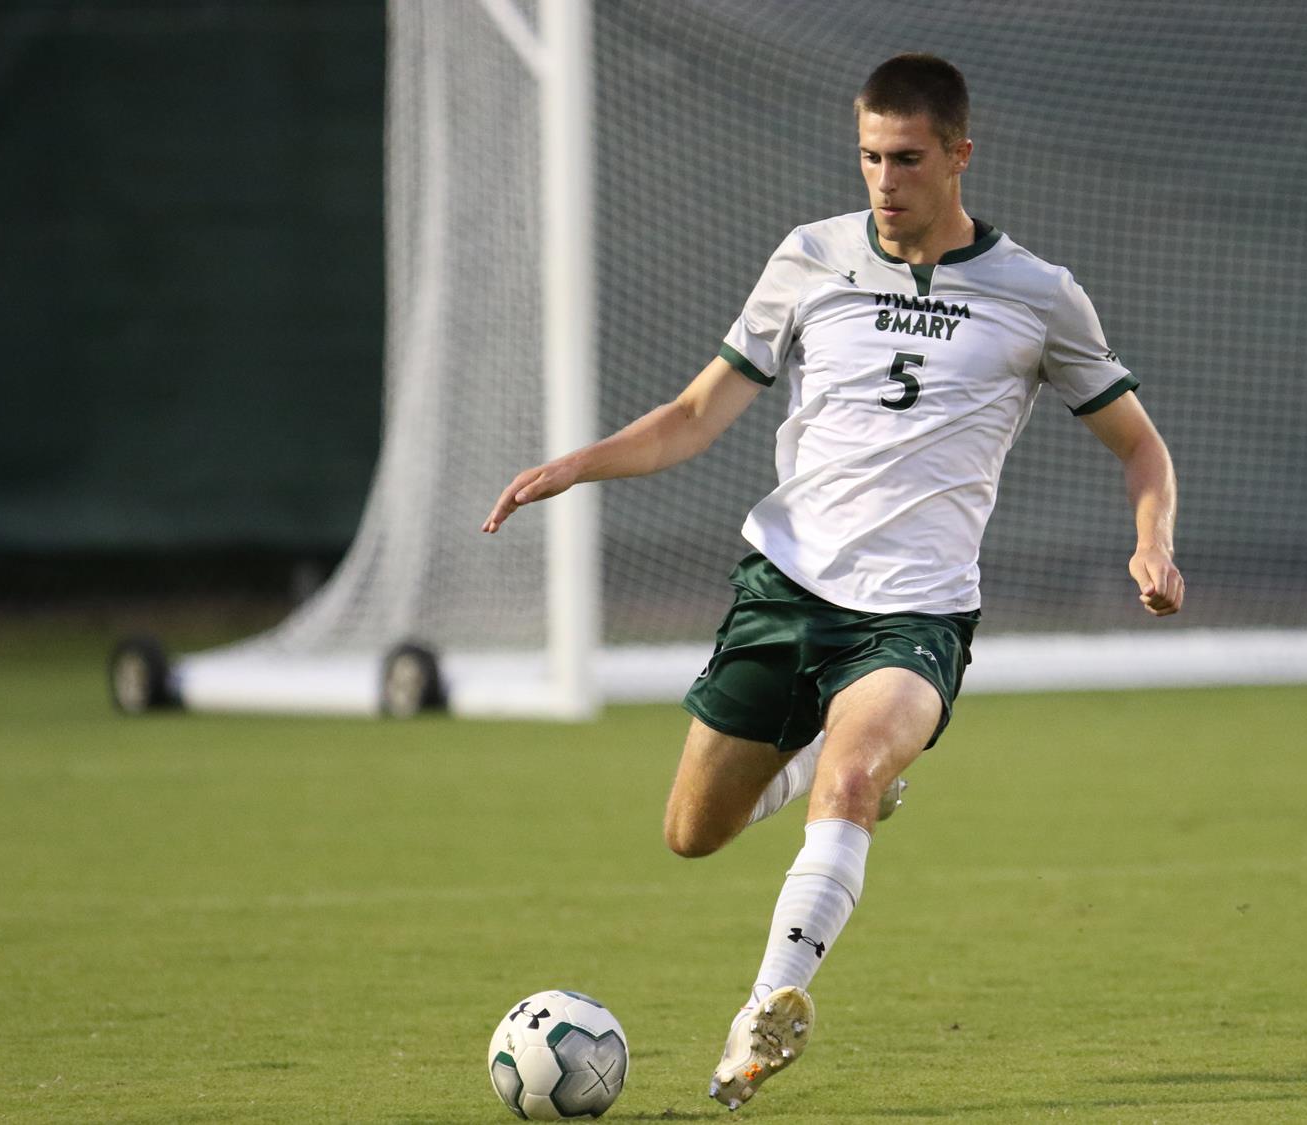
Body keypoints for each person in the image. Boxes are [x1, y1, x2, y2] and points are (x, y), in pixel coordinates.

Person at [481, 52, 1184, 1111]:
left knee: (851, 781)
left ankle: (762, 1016)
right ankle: (820, 766)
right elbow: (693, 416)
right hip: (784, 590)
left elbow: (1139, 447)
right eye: (868, 156)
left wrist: (1153, 542)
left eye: (906, 158)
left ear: (958, 156)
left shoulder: (1038, 297)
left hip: (914, 614)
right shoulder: (808, 258)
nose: (884, 180)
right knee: (691, 832)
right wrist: (576, 465)